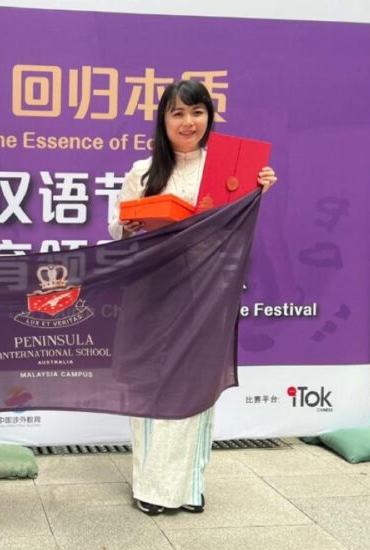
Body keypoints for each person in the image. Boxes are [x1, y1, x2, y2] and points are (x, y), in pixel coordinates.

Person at [108, 79, 276, 516]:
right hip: (153, 294)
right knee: (152, 385)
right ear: (163, 120)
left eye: (197, 112)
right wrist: (129, 226)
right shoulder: (143, 172)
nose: (188, 122)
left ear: (209, 117)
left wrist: (258, 189)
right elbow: (119, 228)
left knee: (196, 387)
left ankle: (188, 487)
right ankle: (151, 487)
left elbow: (236, 230)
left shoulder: (228, 169)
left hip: (206, 296)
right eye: (178, 113)